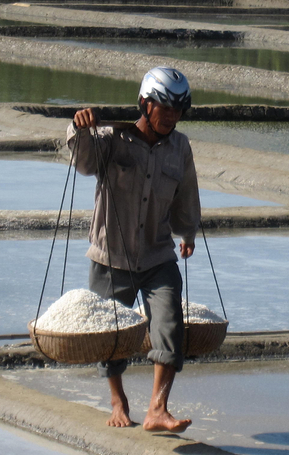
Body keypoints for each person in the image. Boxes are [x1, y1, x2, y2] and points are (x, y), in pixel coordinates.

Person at [66, 67, 200, 432]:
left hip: (157, 253)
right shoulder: (111, 139)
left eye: (178, 110)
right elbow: (83, 161)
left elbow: (185, 193)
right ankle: (118, 400)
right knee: (111, 340)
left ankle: (158, 408)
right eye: (165, 108)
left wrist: (187, 232)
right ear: (144, 103)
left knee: (170, 323)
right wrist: (79, 128)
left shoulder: (180, 147)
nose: (172, 116)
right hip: (111, 256)